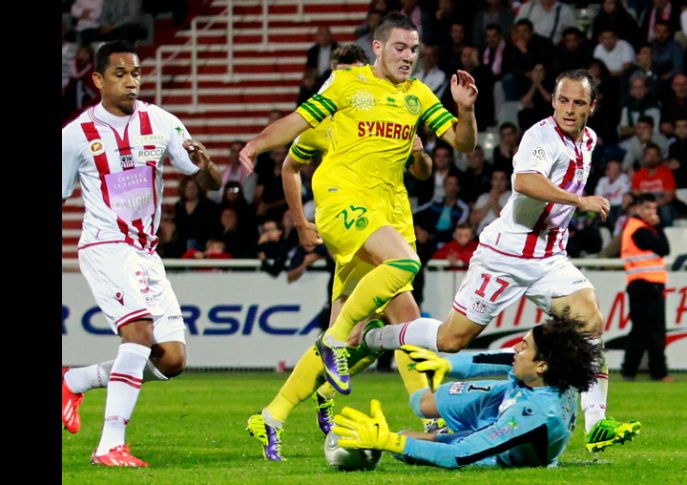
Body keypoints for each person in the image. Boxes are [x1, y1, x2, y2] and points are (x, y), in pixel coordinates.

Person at [362, 69, 641, 452]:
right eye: (563, 100)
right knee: (451, 339)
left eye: (578, 102)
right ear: (553, 101)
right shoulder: (540, 137)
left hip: (548, 257)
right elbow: (524, 182)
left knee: (590, 320)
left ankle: (596, 426)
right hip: (505, 256)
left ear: (593, 106)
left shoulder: (589, 139)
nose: (569, 110)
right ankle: (375, 337)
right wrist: (579, 202)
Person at [239, 12, 478, 396]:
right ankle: (337, 347)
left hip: (389, 215)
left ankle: (284, 411)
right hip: (346, 205)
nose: (407, 56)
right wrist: (255, 144)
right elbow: (296, 126)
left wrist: (465, 110)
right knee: (404, 269)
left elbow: (463, 145)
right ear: (378, 48)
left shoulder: (417, 95)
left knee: (402, 321)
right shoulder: (348, 85)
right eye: (400, 48)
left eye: (414, 50)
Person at [245, 43, 440, 461]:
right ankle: (433, 418)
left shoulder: (391, 110)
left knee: (361, 339)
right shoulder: (323, 120)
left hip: (388, 224)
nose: (348, 82)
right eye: (340, 75)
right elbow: (289, 166)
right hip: (355, 227)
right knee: (404, 319)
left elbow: (422, 173)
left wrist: (420, 154)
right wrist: (300, 222)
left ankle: (276, 413)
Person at [61, 40, 221, 467]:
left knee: (172, 360)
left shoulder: (162, 122)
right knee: (138, 334)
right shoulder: (76, 135)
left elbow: (211, 183)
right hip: (105, 245)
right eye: (120, 74)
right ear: (97, 79)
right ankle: (109, 446)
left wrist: (205, 166)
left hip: (146, 253)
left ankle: (74, 379)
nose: (131, 82)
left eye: (135, 73)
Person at [334, 316, 640, 467]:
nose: (516, 348)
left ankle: (424, 433)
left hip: (504, 446)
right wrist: (446, 363)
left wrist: (391, 442)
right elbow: (496, 359)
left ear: (542, 364)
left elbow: (460, 455)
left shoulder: (536, 415)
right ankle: (394, 345)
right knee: (422, 403)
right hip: (505, 397)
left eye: (524, 346)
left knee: (406, 441)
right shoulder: (547, 371)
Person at [620, 193, 673, 382]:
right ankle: (659, 373)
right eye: (648, 208)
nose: (652, 213)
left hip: (639, 285)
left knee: (640, 331)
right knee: (655, 331)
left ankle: (629, 371)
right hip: (647, 285)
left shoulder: (634, 228)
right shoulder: (640, 230)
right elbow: (664, 249)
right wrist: (659, 225)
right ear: (638, 209)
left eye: (654, 209)